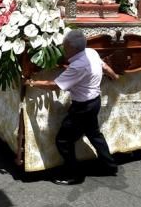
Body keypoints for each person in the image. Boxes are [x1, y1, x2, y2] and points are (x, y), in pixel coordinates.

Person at [24, 29, 118, 185]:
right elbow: (105, 67)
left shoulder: (79, 66)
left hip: (82, 108)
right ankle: (110, 165)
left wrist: (31, 83)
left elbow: (55, 85)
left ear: (73, 48)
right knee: (94, 134)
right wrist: (115, 76)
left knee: (63, 140)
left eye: (65, 46)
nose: (63, 49)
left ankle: (74, 175)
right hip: (94, 102)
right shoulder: (91, 52)